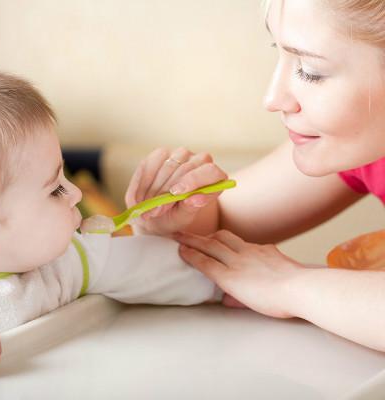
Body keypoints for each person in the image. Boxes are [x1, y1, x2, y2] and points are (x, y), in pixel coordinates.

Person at [125, 0, 385, 352]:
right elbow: (225, 219)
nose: (272, 98)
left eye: (310, 69)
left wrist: (289, 285)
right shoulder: (363, 149)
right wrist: (173, 214)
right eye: (279, 53)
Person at [0, 72, 221, 374]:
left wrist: (225, 284)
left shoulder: (67, 261)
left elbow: (154, 267)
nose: (76, 193)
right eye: (55, 189)